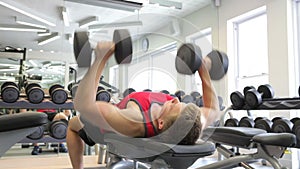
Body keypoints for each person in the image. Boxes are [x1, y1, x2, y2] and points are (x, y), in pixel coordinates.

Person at [66, 41, 221, 169]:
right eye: (182, 103)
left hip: (103, 126)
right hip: (121, 104)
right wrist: (202, 69)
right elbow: (214, 110)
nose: (175, 100)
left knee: (72, 126)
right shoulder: (190, 123)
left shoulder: (134, 120)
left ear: (160, 122)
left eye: (175, 105)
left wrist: (100, 58)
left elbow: (83, 104)